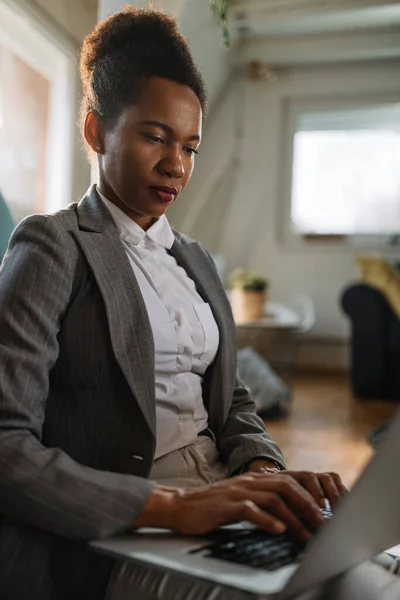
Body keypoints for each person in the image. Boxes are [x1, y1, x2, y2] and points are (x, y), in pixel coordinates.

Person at [1, 6, 388, 600]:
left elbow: (229, 397)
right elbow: (6, 446)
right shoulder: (54, 245)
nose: (176, 166)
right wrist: (176, 508)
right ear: (95, 130)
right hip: (130, 532)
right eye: (154, 137)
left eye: (190, 146)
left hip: (226, 511)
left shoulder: (196, 261)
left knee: (375, 575)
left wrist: (262, 471)